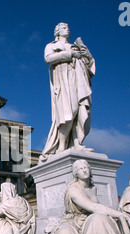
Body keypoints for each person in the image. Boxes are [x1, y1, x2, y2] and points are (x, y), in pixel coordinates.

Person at [41, 23, 95, 160]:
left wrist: (86, 55)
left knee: (81, 111)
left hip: (78, 80)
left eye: (68, 27)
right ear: (57, 32)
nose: (68, 29)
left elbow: (89, 66)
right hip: (63, 80)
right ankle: (62, 146)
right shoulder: (51, 46)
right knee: (68, 111)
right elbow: (48, 59)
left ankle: (77, 143)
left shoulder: (75, 46)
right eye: (64, 28)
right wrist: (70, 54)